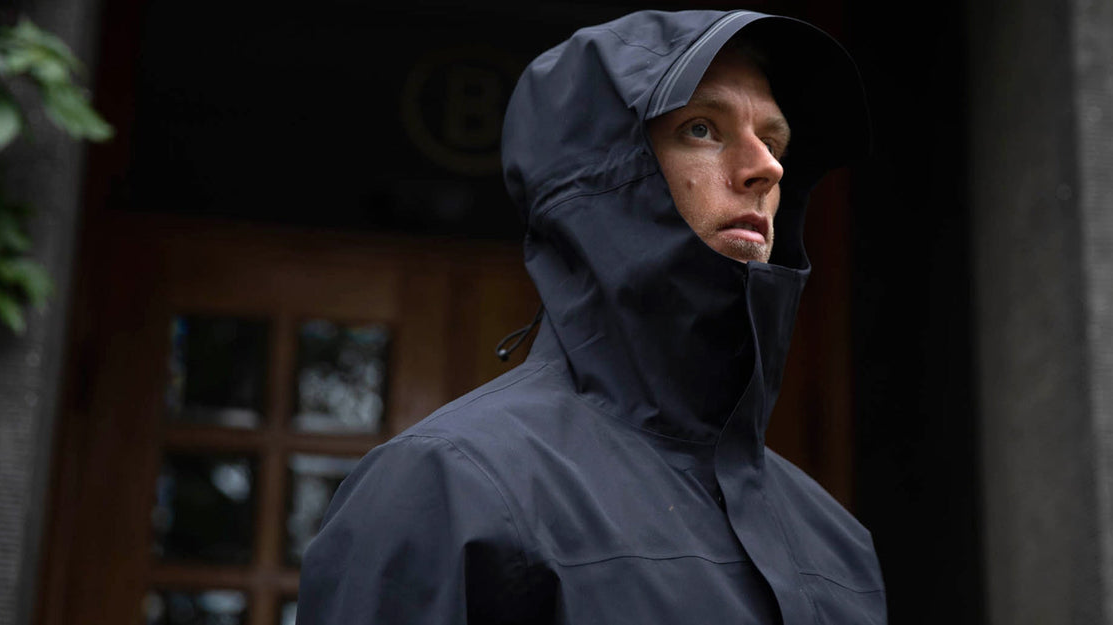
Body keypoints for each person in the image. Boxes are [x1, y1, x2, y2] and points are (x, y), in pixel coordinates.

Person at [297, 9, 884, 624]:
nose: (766, 166)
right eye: (702, 128)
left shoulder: (837, 543)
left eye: (775, 139)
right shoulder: (449, 488)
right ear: (605, 175)